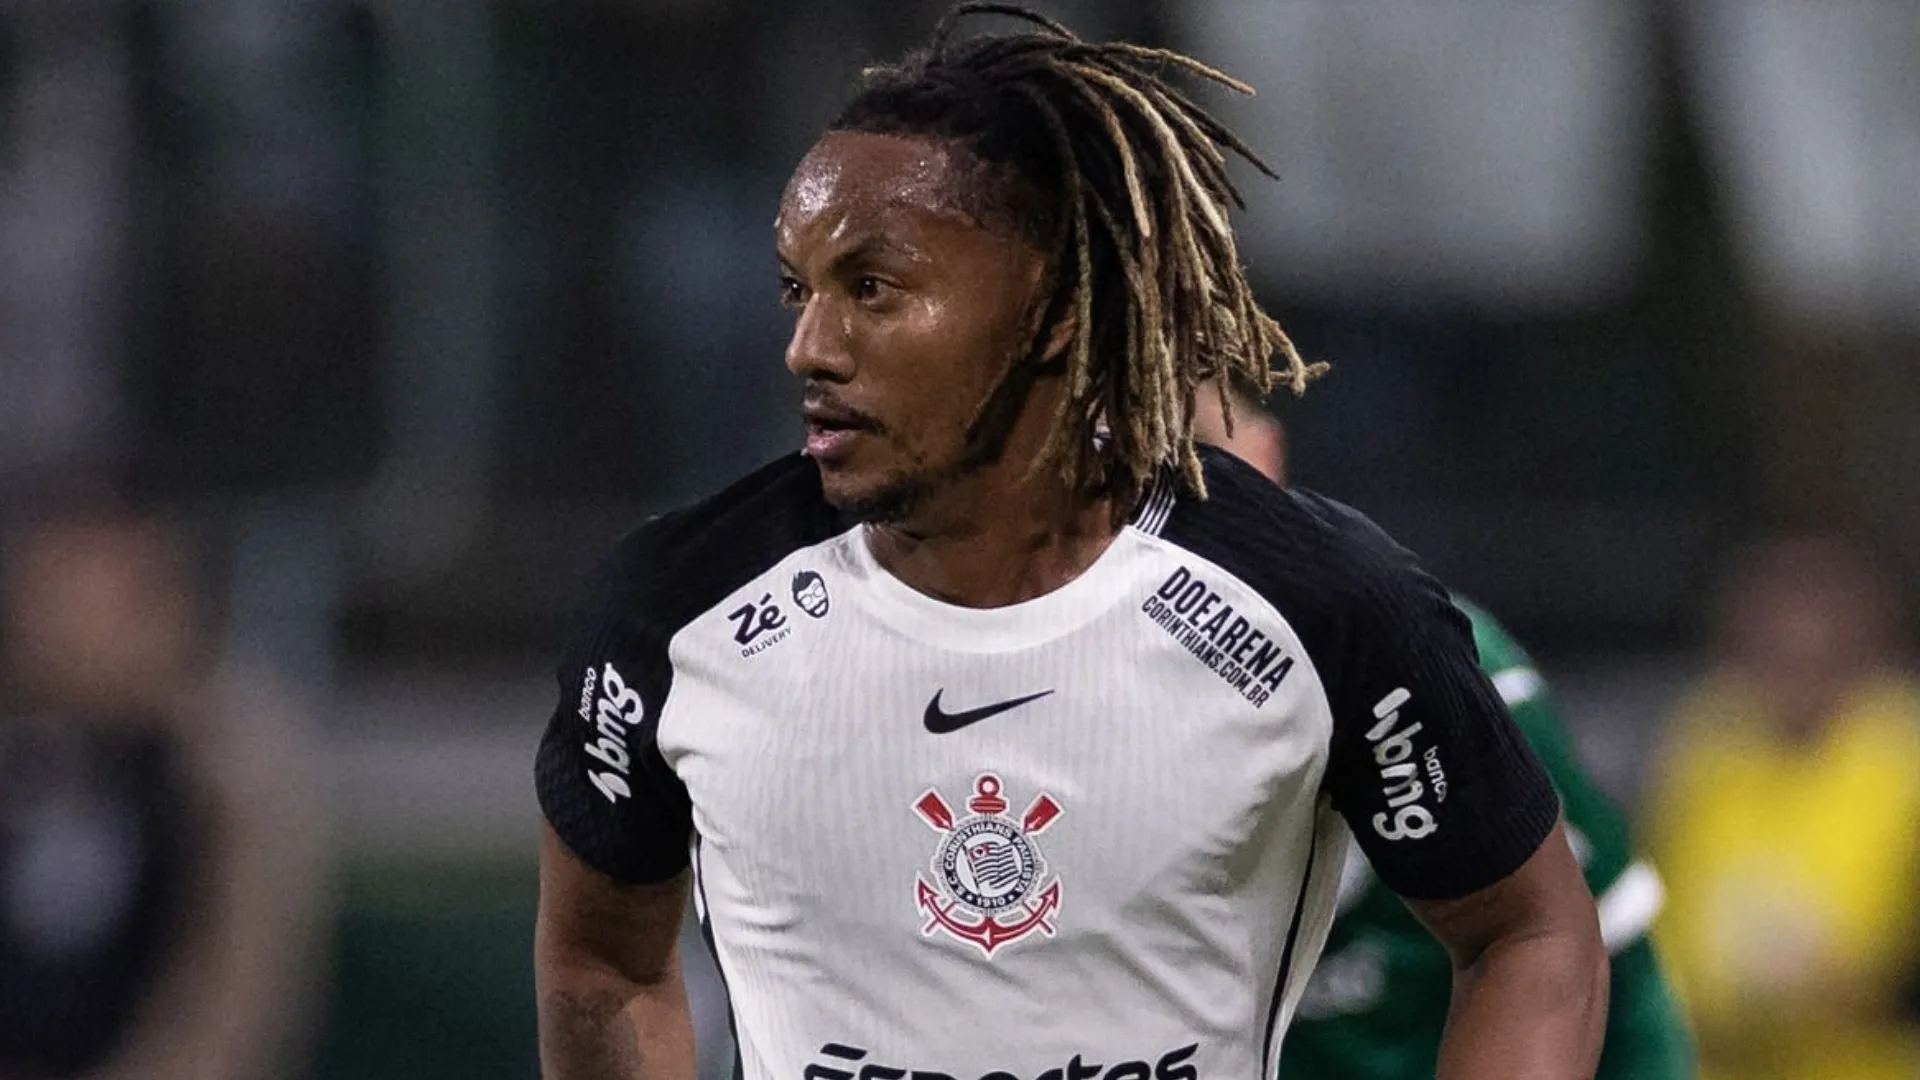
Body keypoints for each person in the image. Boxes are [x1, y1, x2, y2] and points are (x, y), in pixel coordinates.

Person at [531, 7, 1607, 1080]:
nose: (808, 345)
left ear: (1047, 307)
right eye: (796, 289)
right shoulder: (671, 615)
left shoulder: (1322, 608)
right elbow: (604, 963)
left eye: (872, 288)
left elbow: (1530, 935)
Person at [1191, 382, 1694, 1079]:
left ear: (1266, 454)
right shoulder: (1098, 686)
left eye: (1206, 463)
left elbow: (1612, 969)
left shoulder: (1442, 666)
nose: (1186, 509)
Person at [0, 493, 329, 1080]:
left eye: (121, 595)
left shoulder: (231, 767)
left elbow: (236, 1017)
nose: (72, 619)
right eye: (54, 587)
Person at [1643, 535, 1920, 1080]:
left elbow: (1879, 946)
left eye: (1814, 655)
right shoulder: (1707, 745)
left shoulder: (1899, 754)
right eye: (1770, 653)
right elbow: (1667, 920)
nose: (1792, 676)